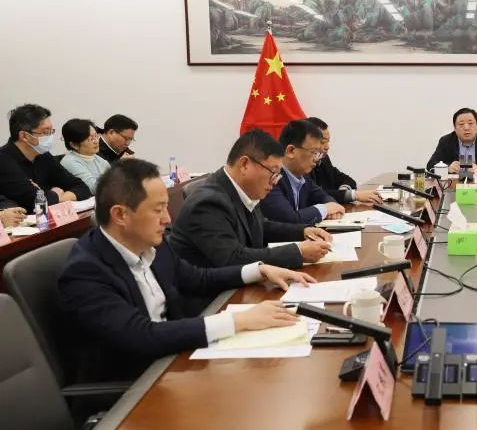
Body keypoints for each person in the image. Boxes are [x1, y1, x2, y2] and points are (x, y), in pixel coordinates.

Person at [58, 159, 316, 382]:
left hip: (175, 361)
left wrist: (259, 271)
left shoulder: (152, 245)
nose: (167, 219)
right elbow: (142, 336)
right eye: (158, 210)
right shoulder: (86, 271)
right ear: (120, 215)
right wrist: (239, 321)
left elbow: (197, 278)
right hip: (132, 387)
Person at [169, 128, 333, 273]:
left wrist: (303, 231)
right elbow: (232, 258)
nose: (276, 181)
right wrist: (297, 252)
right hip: (212, 295)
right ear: (245, 164)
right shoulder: (208, 203)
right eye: (273, 172)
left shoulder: (241, 189)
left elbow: (261, 226)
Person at [0, 103, 91, 209]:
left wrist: (60, 197)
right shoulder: (3, 160)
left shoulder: (43, 155)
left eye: (51, 131)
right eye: (45, 132)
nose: (50, 136)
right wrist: (55, 193)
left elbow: (82, 187)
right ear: (24, 136)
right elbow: (34, 201)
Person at [261, 119, 345, 225]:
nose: (316, 158)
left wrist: (332, 206)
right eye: (314, 152)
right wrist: (326, 209)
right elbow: (290, 219)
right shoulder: (272, 178)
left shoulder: (303, 177)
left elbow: (323, 196)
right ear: (291, 151)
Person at [306, 117, 382, 205]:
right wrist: (353, 195)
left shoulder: (323, 159)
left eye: (328, 142)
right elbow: (314, 195)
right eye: (322, 142)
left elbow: (347, 179)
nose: (327, 147)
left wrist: (343, 192)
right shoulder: (303, 164)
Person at [426, 107, 477, 173]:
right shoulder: (446, 141)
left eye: (470, 123)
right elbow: (430, 165)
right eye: (461, 124)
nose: (466, 128)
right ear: (454, 128)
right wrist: (448, 168)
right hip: (454, 184)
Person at [60, 118, 112, 192]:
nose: (96, 141)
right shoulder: (70, 162)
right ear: (74, 145)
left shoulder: (98, 159)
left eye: (96, 136)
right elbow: (94, 188)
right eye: (90, 139)